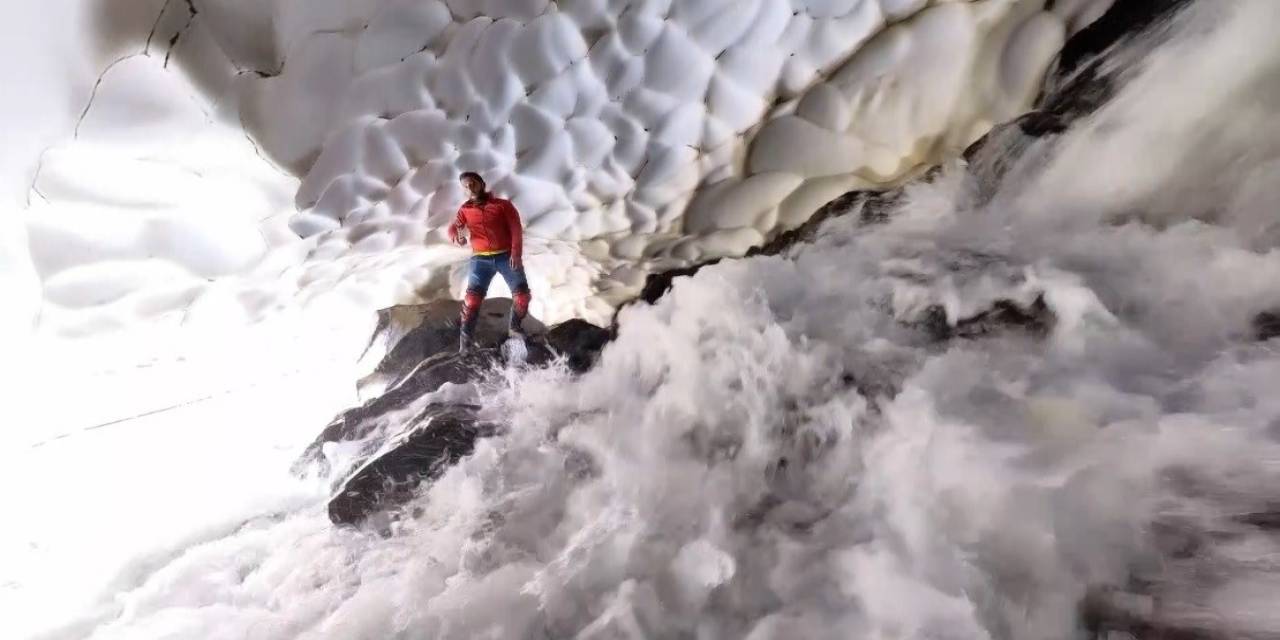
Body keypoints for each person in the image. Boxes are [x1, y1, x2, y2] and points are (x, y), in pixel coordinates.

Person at [447, 171, 531, 351]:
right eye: (466, 186)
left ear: (482, 183)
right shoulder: (465, 210)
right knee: (471, 301)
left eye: (473, 183)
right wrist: (456, 236)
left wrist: (516, 253)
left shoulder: (502, 205)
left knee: (522, 296)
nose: (470, 188)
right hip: (480, 260)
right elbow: (455, 226)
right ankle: (465, 344)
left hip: (506, 256)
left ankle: (514, 328)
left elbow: (515, 228)